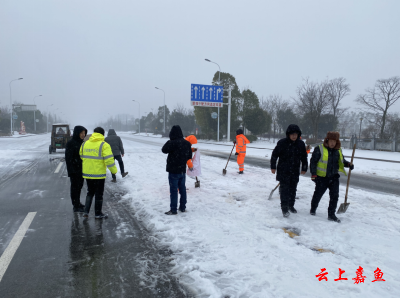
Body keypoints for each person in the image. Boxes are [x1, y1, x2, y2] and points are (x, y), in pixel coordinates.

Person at [310, 131, 354, 223]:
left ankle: (331, 214)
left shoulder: (338, 150)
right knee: (318, 195)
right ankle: (313, 209)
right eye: (331, 141)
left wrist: (348, 164)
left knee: (334, 196)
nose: (332, 143)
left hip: (334, 177)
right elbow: (313, 162)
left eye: (334, 141)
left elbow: (342, 161)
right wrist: (313, 174)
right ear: (327, 140)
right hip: (322, 178)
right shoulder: (320, 148)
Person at [270, 124, 308, 217]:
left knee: (293, 189)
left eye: (296, 134)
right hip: (283, 171)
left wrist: (304, 167)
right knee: (284, 190)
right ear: (288, 134)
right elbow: (274, 155)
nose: (294, 136)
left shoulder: (301, 144)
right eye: (292, 134)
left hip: (295, 171)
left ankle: (291, 205)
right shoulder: (282, 143)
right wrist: (273, 166)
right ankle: (284, 208)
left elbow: (304, 157)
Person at [80, 127, 118, 219]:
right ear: (103, 134)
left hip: (88, 174)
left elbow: (81, 155)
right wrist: (114, 171)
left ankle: (86, 212)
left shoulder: (85, 143)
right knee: (99, 194)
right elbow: (109, 160)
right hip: (99, 175)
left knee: (90, 192)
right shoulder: (104, 145)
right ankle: (98, 213)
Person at [161, 125, 192, 215]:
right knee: (182, 189)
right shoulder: (186, 143)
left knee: (174, 190)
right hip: (182, 170)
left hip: (173, 170)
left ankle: (173, 209)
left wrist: (170, 141)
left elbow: (163, 150)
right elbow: (189, 156)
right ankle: (182, 207)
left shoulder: (172, 143)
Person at [65, 125, 87, 212]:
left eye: (84, 133)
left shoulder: (82, 143)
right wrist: (71, 171)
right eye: (81, 133)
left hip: (81, 169)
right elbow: (68, 158)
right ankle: (75, 205)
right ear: (77, 133)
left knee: (79, 187)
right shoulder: (71, 143)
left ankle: (78, 203)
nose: (83, 135)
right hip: (74, 170)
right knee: (75, 188)